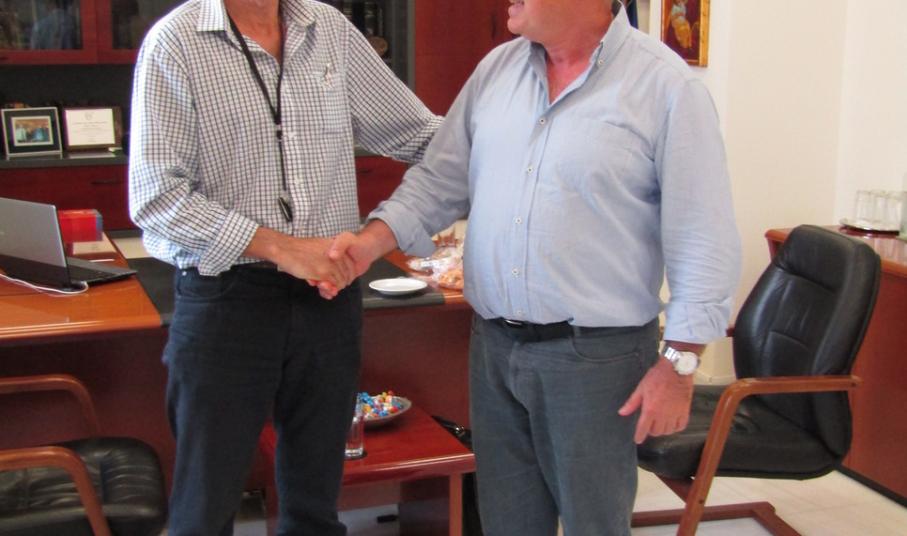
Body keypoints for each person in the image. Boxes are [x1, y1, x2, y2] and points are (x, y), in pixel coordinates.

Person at [327, 0, 741, 534]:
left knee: (594, 524)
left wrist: (680, 366)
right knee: (508, 521)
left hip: (595, 359)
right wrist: (369, 243)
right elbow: (439, 181)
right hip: (493, 348)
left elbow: (702, 237)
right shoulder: (496, 70)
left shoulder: (666, 87)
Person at [128, 0, 441, 534]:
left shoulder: (329, 29)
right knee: (204, 509)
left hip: (328, 297)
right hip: (227, 300)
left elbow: (422, 136)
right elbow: (157, 197)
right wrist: (280, 248)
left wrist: (511, 135)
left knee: (315, 505)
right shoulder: (176, 41)